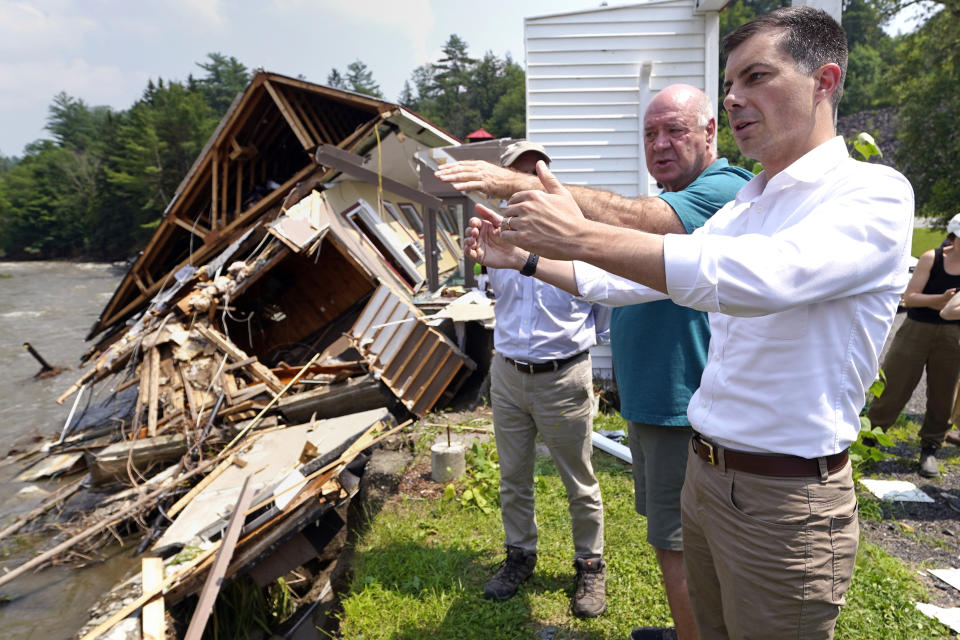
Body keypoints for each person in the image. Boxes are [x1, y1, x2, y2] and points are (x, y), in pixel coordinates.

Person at [463, 7, 914, 639]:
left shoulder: (872, 193)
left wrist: (584, 233)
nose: (735, 99)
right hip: (708, 476)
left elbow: (754, 278)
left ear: (825, 81)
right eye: (730, 85)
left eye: (756, 77)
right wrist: (528, 260)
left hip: (784, 498)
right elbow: (625, 283)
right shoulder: (750, 200)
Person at [438, 84, 752, 640]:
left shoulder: (717, 192)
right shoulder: (666, 215)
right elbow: (610, 284)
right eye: (650, 133)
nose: (660, 144)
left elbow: (608, 267)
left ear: (710, 133)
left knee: (677, 539)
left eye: (674, 130)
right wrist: (521, 259)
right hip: (644, 397)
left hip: (678, 400)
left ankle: (606, 576)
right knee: (671, 539)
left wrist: (515, 189)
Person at [479, 140, 608, 619]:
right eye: (516, 173)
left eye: (535, 173)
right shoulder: (495, 236)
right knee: (513, 477)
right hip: (508, 374)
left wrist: (577, 345)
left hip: (563, 377)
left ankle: (590, 564)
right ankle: (519, 556)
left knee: (580, 479)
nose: (526, 182)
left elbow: (603, 303)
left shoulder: (576, 238)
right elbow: (490, 294)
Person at [867, 212, 960, 476]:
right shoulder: (933, 258)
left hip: (953, 335)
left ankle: (930, 447)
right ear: (953, 235)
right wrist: (939, 299)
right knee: (894, 386)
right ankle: (871, 439)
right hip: (917, 329)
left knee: (944, 393)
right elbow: (909, 298)